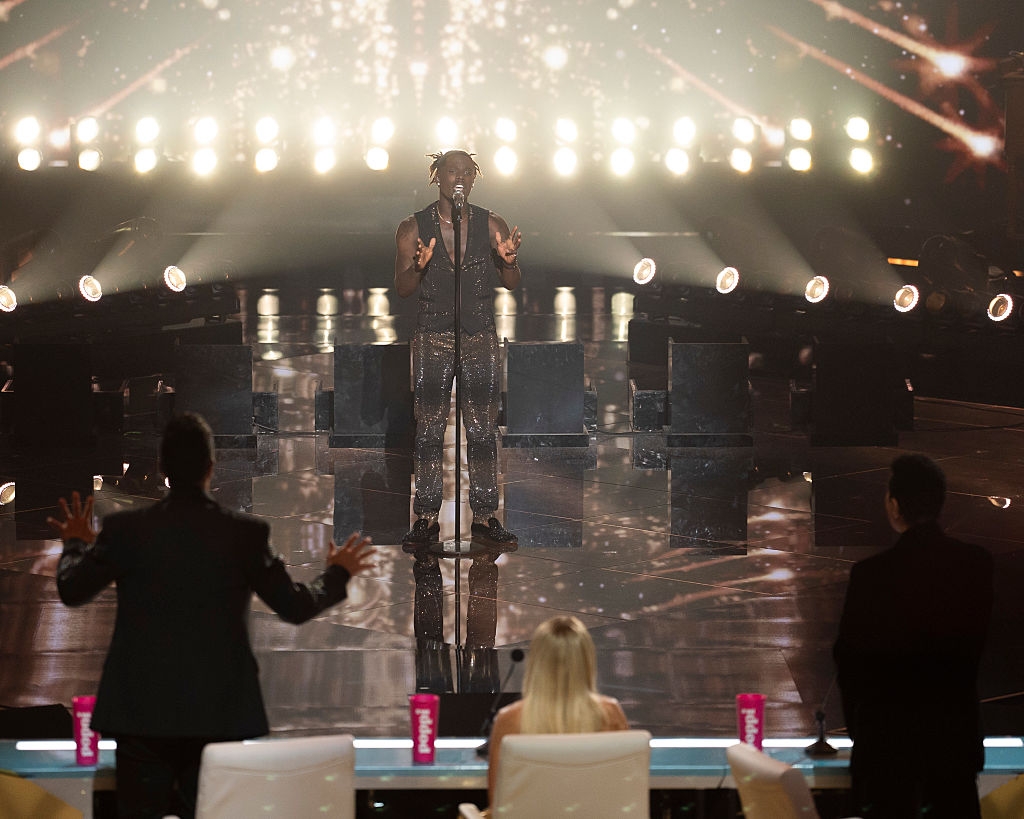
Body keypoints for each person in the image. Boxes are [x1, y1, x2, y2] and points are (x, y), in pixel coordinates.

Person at [50, 412, 376, 819]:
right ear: (210, 466)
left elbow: (72, 589)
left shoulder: (127, 530)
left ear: (163, 467)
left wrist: (76, 544)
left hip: (140, 716)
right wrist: (338, 572)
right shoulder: (243, 534)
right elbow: (295, 606)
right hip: (219, 713)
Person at [833, 454, 993, 818]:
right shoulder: (977, 565)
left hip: (887, 745)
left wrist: (865, 732)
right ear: (940, 502)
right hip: (954, 743)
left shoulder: (870, 575)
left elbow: (850, 663)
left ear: (894, 505)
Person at [394, 149, 521, 547]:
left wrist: (509, 261)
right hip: (434, 335)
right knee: (429, 428)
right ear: (438, 176)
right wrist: (418, 267)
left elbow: (512, 282)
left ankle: (485, 516)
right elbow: (402, 289)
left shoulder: (491, 223)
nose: (460, 177)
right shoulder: (413, 228)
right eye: (452, 171)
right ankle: (427, 518)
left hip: (479, 334)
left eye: (467, 171)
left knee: (483, 428)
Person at [486, 616, 629, 808]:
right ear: (586, 660)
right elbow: (623, 797)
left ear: (536, 660)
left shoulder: (510, 720)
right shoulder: (611, 714)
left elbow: (499, 804)